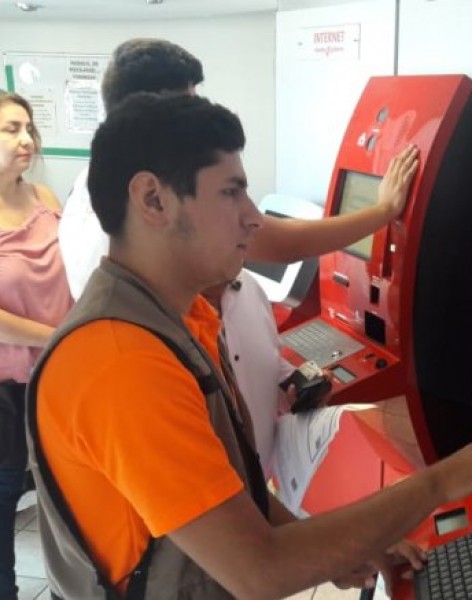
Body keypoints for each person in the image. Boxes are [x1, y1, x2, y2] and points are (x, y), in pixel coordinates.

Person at [27, 92, 472, 600]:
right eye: (231, 192)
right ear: (153, 199)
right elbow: (259, 570)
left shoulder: (180, 321)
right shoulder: (123, 363)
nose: (253, 217)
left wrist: (336, 545)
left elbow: (227, 505)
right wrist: (444, 480)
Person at [59, 38, 420, 479]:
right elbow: (250, 547)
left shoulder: (89, 188)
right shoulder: (142, 318)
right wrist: (382, 212)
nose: (248, 218)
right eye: (186, 109)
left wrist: (279, 370)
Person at [0, 91, 72, 599]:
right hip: (6, 390)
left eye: (28, 128)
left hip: (61, 378)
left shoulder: (44, 198)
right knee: (4, 500)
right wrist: (60, 337)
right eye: (9, 130)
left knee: (66, 495)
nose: (26, 140)